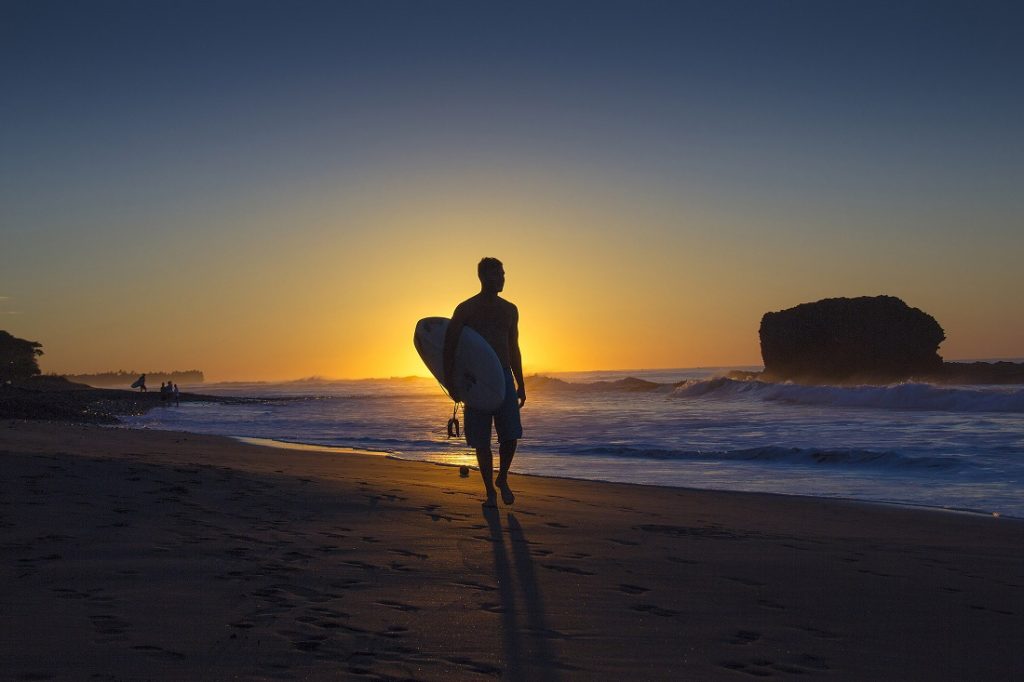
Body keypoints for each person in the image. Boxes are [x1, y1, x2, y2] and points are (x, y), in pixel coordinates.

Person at [443, 257, 526, 508]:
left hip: (503, 377)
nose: (502, 278)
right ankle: (489, 490)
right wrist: (451, 384)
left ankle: (502, 478)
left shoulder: (510, 309)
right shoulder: (466, 309)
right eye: (497, 274)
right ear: (483, 277)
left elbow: (514, 348)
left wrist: (520, 383)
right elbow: (449, 348)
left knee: (510, 435)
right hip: (475, 380)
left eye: (503, 273)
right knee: (481, 440)